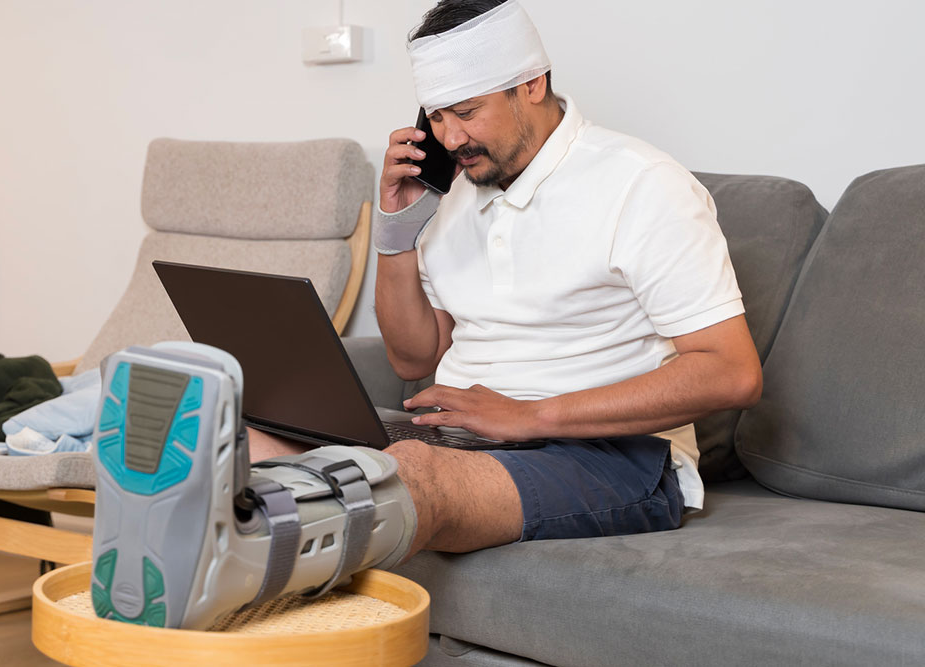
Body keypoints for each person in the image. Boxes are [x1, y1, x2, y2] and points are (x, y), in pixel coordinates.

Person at [90, 0, 762, 630]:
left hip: (612, 456)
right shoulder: (456, 193)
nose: (450, 136)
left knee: (406, 472)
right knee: (250, 438)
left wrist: (530, 415)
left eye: (467, 111)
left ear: (532, 83)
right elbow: (414, 356)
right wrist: (395, 231)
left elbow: (732, 373)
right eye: (437, 116)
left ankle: (204, 577)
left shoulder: (642, 185)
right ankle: (200, 565)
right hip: (463, 435)